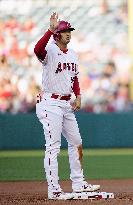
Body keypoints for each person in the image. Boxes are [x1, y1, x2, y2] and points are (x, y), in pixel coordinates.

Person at [34, 12, 100, 200]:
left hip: (66, 103)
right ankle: (54, 189)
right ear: (57, 34)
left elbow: (75, 77)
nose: (68, 34)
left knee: (76, 142)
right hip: (50, 103)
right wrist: (49, 30)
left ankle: (78, 183)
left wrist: (78, 96)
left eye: (69, 31)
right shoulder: (50, 50)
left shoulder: (72, 54)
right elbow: (37, 50)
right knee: (53, 146)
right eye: (65, 31)